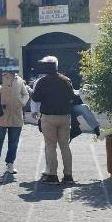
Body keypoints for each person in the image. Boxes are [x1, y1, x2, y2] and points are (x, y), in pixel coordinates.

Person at [31, 56, 75, 184]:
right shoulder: (66, 80)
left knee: (50, 146)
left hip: (48, 117)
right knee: (65, 146)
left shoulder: (41, 82)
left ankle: (52, 175)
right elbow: (72, 96)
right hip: (65, 116)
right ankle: (68, 175)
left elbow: (36, 98)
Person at [0, 69, 29, 174]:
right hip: (1, 116)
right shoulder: (0, 78)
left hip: (16, 116)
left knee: (14, 142)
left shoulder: (19, 80)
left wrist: (22, 103)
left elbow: (25, 94)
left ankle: (10, 163)